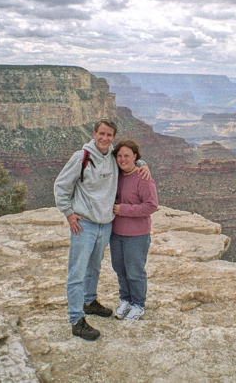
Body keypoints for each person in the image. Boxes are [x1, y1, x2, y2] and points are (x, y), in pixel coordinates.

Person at [54, 120, 151, 341]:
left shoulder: (112, 158)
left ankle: (89, 302)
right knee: (77, 272)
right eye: (102, 134)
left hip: (106, 224)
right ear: (94, 134)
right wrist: (68, 213)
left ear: (113, 137)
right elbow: (61, 186)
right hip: (84, 224)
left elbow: (128, 160)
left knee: (94, 267)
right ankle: (76, 319)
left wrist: (143, 163)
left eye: (109, 135)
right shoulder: (82, 157)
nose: (105, 138)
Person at [110, 139, 158, 321]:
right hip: (116, 233)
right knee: (120, 269)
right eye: (120, 155)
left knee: (135, 271)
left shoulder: (143, 178)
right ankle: (126, 300)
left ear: (135, 157)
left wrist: (123, 209)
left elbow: (151, 205)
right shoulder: (116, 175)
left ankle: (138, 304)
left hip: (137, 235)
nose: (123, 159)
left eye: (127, 156)